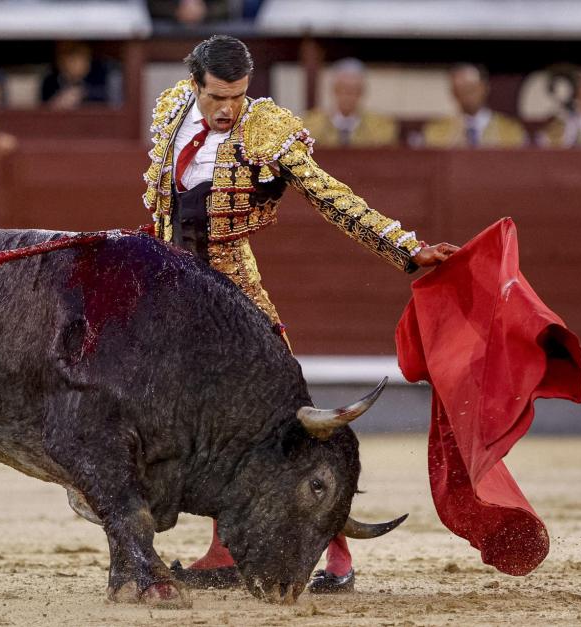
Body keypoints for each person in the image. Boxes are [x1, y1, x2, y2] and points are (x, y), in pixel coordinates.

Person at [143, 35, 457, 594]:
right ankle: (223, 551)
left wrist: (404, 248)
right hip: (174, 292)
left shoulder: (267, 129)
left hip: (232, 293)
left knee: (282, 426)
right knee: (205, 427)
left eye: (238, 96)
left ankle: (336, 557)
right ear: (195, 85)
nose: (228, 109)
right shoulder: (170, 109)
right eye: (217, 96)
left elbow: (330, 195)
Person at [421, 64, 527, 148]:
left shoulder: (511, 131)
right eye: (461, 90)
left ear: (484, 88)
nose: (467, 96)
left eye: (471, 89)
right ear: (453, 93)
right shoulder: (435, 132)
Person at [303, 58, 399, 148]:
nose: (348, 96)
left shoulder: (380, 127)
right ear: (334, 90)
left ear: (362, 92)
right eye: (343, 89)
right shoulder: (311, 124)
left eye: (354, 90)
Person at [41, 41, 120, 109]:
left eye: (80, 56)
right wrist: (56, 103)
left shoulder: (102, 76)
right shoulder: (49, 81)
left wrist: (83, 94)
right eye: (67, 55)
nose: (74, 62)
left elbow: (111, 99)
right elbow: (42, 109)